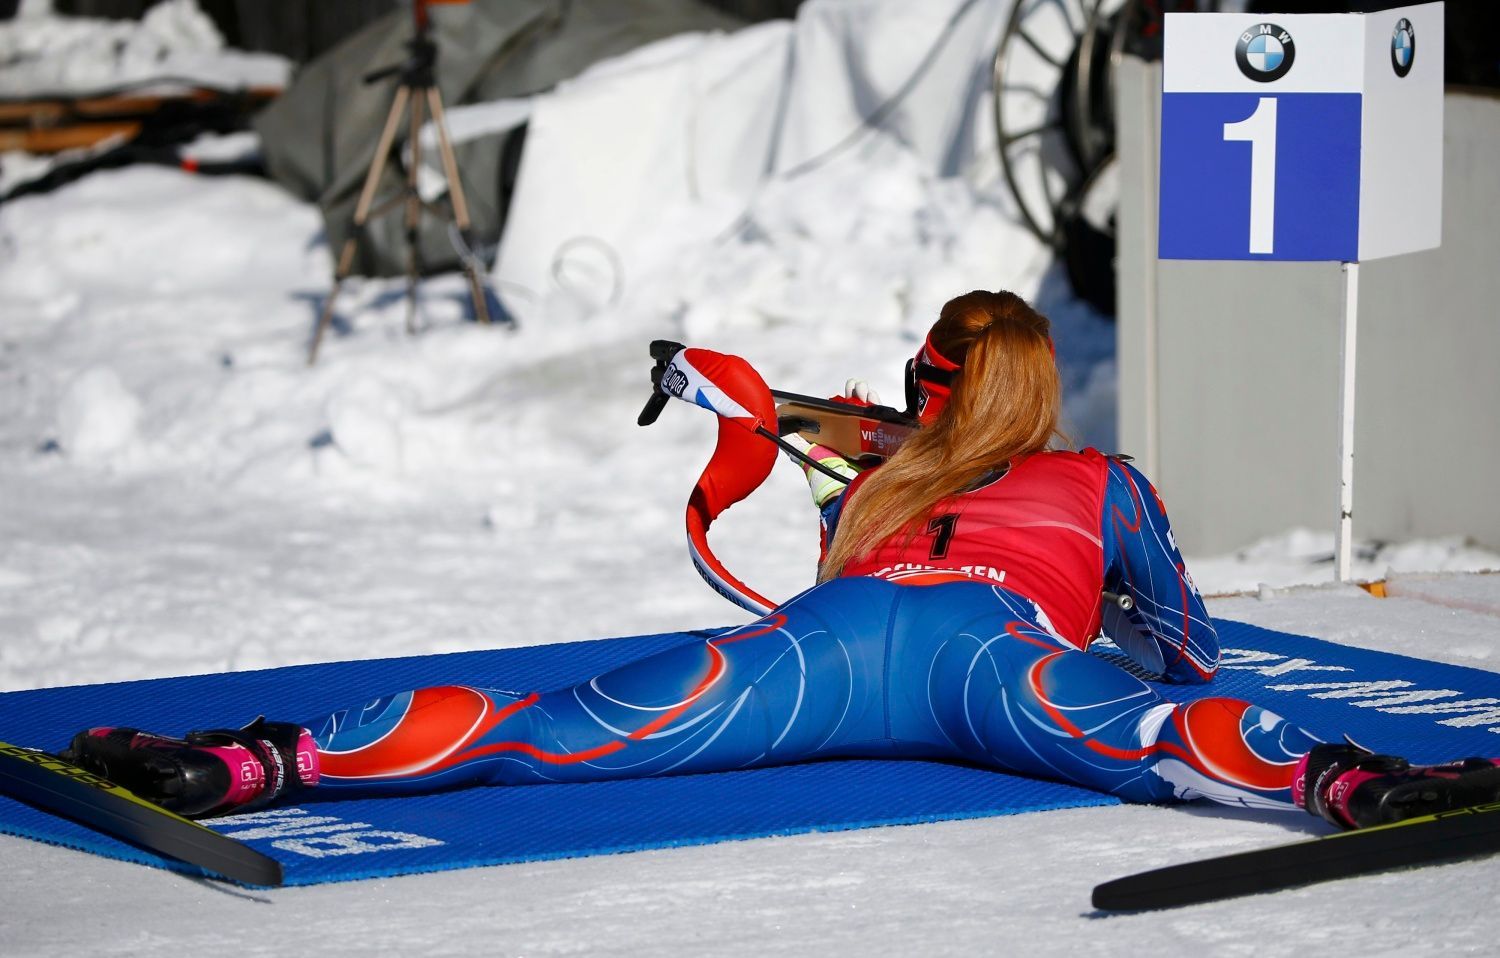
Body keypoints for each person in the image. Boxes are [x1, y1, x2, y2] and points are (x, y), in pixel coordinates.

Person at [62, 291, 1498, 832]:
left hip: (833, 646)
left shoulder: (879, 465)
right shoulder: (1101, 477)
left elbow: (842, 433)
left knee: (547, 729)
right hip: (998, 666)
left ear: (927, 393)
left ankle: (253, 765)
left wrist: (742, 398)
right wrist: (1121, 604)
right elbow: (1191, 664)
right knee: (1172, 734)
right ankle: (1352, 782)